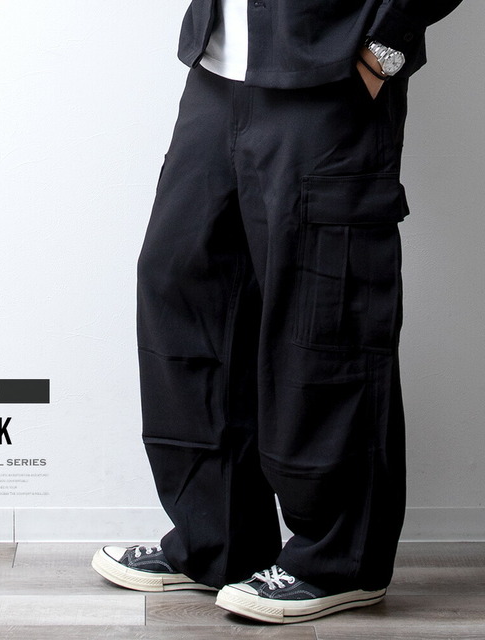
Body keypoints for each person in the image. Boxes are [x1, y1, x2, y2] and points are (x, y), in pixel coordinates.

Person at [92, 0, 464, 625]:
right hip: (217, 77)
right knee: (182, 283)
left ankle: (340, 563)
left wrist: (383, 49)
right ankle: (219, 542)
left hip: (331, 80)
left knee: (325, 313)